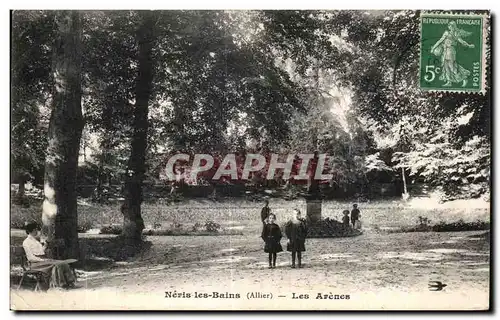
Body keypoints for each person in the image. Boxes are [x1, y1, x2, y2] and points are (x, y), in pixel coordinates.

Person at [22, 222, 78, 290]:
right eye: (35, 229)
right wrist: (43, 260)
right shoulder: (26, 242)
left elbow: (41, 252)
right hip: (35, 264)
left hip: (42, 261)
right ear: (31, 230)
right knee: (57, 264)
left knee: (63, 263)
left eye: (36, 229)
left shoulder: (35, 241)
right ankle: (61, 285)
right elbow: (30, 258)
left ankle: (70, 282)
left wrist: (45, 245)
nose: (37, 231)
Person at [431, 20, 475, 87]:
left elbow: (461, 41)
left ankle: (464, 78)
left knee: (452, 66)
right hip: (445, 51)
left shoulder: (456, 34)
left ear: (453, 26)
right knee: (446, 67)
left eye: (451, 25)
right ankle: (449, 82)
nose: (449, 27)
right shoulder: (446, 33)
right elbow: (440, 40)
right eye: (449, 25)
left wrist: (468, 45)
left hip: (451, 51)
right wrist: (433, 48)